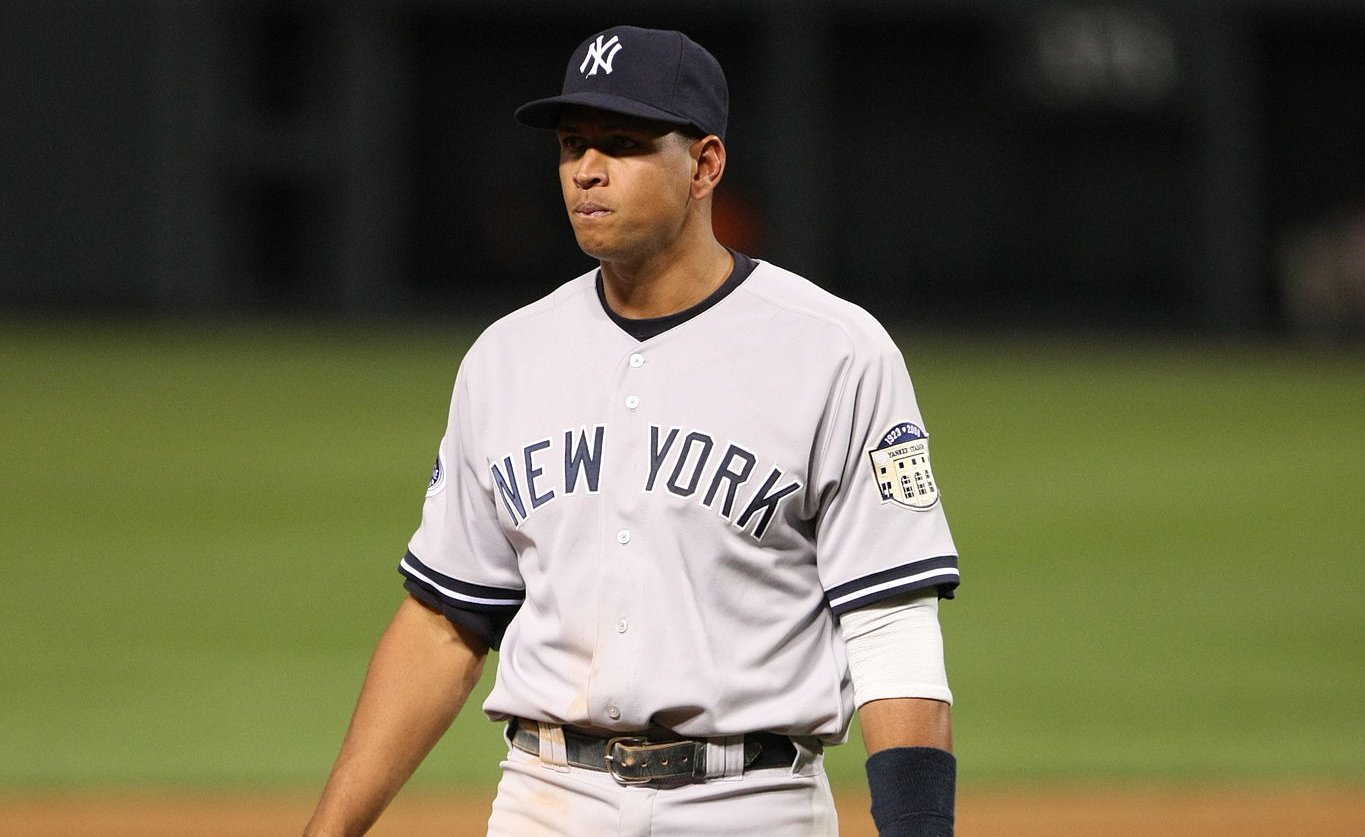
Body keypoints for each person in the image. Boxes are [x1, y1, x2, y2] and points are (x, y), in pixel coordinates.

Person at [304, 25, 960, 837]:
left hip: (750, 806)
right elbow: (445, 620)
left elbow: (890, 626)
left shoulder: (833, 350)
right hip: (547, 800)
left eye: (623, 144)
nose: (585, 169)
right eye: (573, 145)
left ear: (705, 166)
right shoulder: (506, 357)